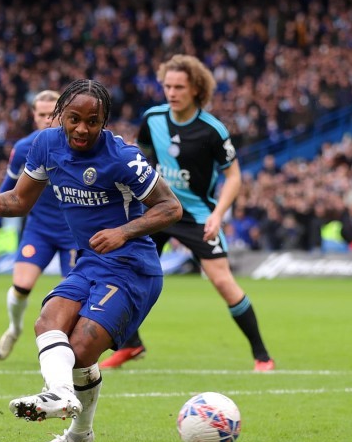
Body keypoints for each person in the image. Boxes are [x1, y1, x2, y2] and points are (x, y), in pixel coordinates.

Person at [0, 79, 181, 442]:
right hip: (90, 263)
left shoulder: (123, 157)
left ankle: (75, 429)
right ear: (60, 115)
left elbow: (170, 208)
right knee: (46, 322)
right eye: (74, 119)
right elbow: (18, 200)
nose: (82, 129)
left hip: (133, 270)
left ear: (104, 122)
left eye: (93, 121)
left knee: (81, 350)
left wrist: (123, 231)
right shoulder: (46, 145)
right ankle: (66, 404)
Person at [101, 55, 275, 372]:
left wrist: (218, 214)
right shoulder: (152, 118)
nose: (172, 92)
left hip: (197, 216)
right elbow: (139, 161)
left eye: (179, 86)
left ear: (196, 89)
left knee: (223, 282)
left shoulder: (212, 129)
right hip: (157, 211)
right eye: (167, 86)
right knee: (123, 272)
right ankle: (131, 344)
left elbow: (234, 176)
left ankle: (262, 356)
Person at [0, 90, 79, 361]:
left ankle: (65, 353)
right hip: (40, 228)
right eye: (42, 114)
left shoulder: (79, 143)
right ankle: (14, 328)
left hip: (74, 232)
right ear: (34, 116)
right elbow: (7, 187)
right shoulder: (24, 147)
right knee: (21, 286)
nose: (47, 119)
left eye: (53, 114)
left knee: (74, 296)